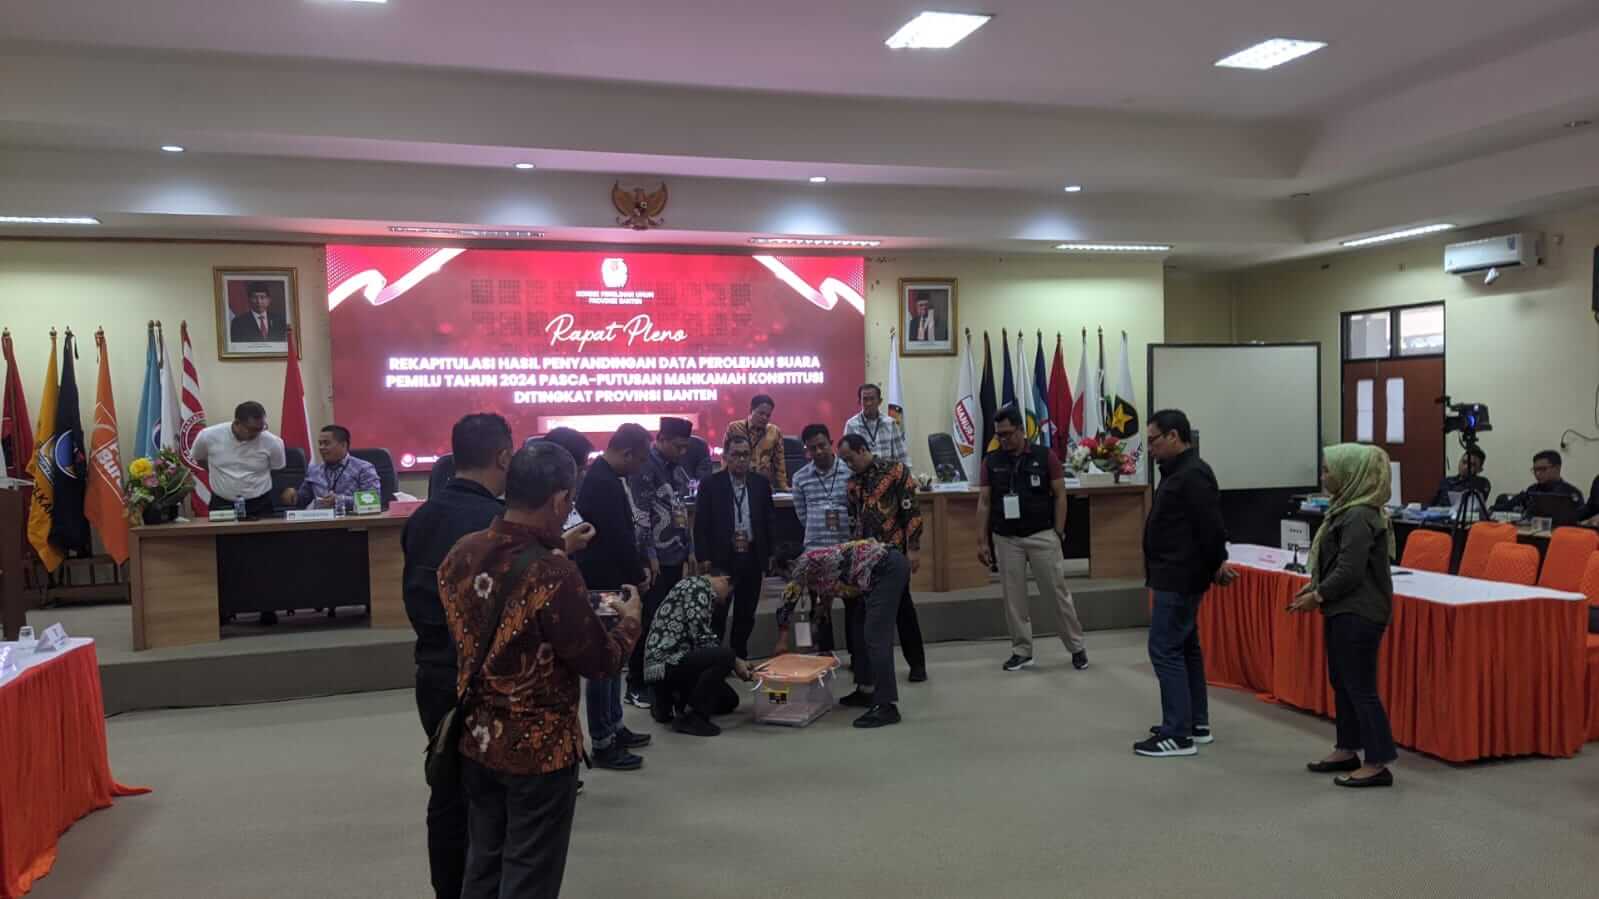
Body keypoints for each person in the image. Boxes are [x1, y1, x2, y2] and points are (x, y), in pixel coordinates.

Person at [438, 442, 643, 898]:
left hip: (475, 737)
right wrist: (630, 621)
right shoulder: (554, 573)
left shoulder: (462, 553)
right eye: (569, 501)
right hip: (539, 750)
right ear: (558, 499)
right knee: (529, 875)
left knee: (483, 866)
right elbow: (601, 662)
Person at [401, 413, 514, 899]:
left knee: (446, 796)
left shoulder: (422, 516)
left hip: (432, 672)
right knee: (489, 802)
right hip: (481, 681)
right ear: (504, 457)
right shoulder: (496, 525)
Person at [1291, 444, 1399, 789]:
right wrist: (1316, 588)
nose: (1323, 477)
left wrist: (1318, 595)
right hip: (1343, 609)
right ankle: (1347, 748)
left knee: (1360, 686)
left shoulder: (1358, 515)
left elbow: (1350, 571)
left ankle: (1378, 762)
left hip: (1360, 611)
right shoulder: (1344, 509)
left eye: (1328, 470)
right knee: (1343, 681)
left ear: (1350, 473)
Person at [1134, 409, 1235, 759]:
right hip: (1175, 573)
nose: (1149, 448)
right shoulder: (1177, 471)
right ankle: (1196, 723)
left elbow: (1211, 527)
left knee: (1164, 649)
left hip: (1179, 576)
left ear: (1174, 436)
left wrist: (1217, 562)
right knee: (1185, 647)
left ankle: (1178, 734)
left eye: (1153, 441)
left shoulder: (1192, 474)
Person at [976, 405, 1088, 672]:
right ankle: (1022, 651)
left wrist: (1058, 531)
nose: (1003, 439)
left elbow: (1060, 495)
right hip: (1006, 538)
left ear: (1021, 430)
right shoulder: (991, 461)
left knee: (1057, 594)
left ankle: (1076, 647)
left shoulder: (1045, 456)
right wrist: (981, 541)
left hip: (1041, 535)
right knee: (1014, 599)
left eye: (1007, 434)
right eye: (999, 435)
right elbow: (984, 502)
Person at [572, 423, 654, 770]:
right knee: (603, 663)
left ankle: (615, 725)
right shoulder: (602, 482)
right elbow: (619, 539)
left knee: (615, 659)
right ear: (627, 452)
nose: (641, 467)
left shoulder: (606, 476)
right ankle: (603, 741)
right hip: (601, 585)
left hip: (609, 582)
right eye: (641, 460)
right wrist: (637, 576)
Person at [772, 539, 912, 728]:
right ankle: (866, 690)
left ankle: (887, 706)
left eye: (782, 574)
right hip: (878, 573)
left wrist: (782, 640)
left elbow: (787, 602)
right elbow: (831, 586)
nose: (785, 579)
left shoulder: (803, 563)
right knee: (859, 629)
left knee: (876, 637)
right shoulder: (816, 561)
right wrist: (821, 611)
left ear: (790, 564)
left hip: (886, 569)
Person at [838, 432, 927, 682]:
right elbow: (854, 519)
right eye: (844, 461)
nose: (848, 464)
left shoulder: (895, 471)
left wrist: (914, 548)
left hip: (893, 554)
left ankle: (917, 665)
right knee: (863, 612)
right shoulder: (853, 482)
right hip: (864, 557)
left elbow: (912, 512)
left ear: (862, 449)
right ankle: (865, 668)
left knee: (903, 609)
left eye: (850, 458)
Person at [625, 416, 696, 709]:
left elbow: (682, 511)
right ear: (662, 439)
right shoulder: (644, 467)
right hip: (654, 561)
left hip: (675, 555)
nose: (683, 452)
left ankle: (659, 680)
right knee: (648, 621)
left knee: (667, 622)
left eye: (685, 447)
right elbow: (641, 518)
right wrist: (650, 556)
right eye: (678, 446)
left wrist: (690, 549)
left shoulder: (675, 468)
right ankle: (635, 683)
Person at [694, 432, 776, 657]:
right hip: (722, 557)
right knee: (717, 614)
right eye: (736, 455)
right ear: (726, 457)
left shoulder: (760, 483)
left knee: (746, 612)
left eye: (745, 455)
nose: (741, 460)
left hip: (752, 555)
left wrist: (770, 553)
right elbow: (701, 524)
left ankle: (739, 656)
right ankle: (715, 660)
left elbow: (769, 520)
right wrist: (703, 557)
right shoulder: (711, 484)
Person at [643, 571, 753, 736]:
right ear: (724, 579)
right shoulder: (698, 587)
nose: (724, 601)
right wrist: (736, 662)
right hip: (668, 661)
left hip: (669, 662)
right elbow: (702, 637)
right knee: (726, 655)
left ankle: (668, 700)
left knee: (729, 700)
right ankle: (694, 718)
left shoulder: (692, 586)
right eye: (728, 594)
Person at [790, 423, 853, 655]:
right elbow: (802, 515)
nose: (818, 452)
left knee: (853, 604)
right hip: (816, 551)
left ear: (831, 443)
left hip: (846, 548)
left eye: (822, 446)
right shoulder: (800, 477)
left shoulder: (849, 471)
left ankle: (857, 656)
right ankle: (825, 655)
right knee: (819, 605)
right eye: (812, 448)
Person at [191, 401, 286, 521]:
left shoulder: (273, 442)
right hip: (222, 503)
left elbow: (277, 470)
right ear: (237, 423)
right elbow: (199, 459)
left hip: (260, 504)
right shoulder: (208, 436)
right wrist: (223, 477)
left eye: (262, 427)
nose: (257, 433)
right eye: (253, 429)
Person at [281, 424, 380, 511]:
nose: (321, 447)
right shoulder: (314, 470)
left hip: (351, 522)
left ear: (343, 445)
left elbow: (374, 499)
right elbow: (304, 498)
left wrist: (340, 500)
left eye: (326, 443)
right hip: (320, 521)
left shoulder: (363, 468)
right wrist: (293, 497)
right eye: (320, 443)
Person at [725, 394, 788, 490]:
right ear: (751, 410)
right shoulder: (734, 427)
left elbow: (780, 463)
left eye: (768, 415)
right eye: (761, 413)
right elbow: (725, 458)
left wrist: (784, 487)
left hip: (764, 484)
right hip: (739, 482)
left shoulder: (774, 431)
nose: (764, 418)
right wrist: (724, 483)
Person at [843, 383, 908, 465]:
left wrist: (906, 471)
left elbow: (902, 456)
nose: (869, 403)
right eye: (865, 399)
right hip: (862, 472)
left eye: (872, 399)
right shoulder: (851, 425)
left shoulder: (890, 423)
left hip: (888, 472)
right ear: (859, 402)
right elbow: (846, 457)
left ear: (880, 401)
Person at [1508, 450, 1584, 508]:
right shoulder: (1532, 490)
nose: (1537, 474)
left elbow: (1580, 519)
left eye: (1542, 469)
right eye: (1535, 470)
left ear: (1557, 468)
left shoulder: (1571, 493)